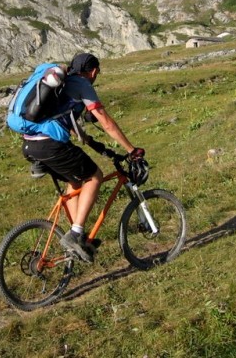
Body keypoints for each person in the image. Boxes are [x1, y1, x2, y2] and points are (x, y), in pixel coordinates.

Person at [21, 52, 145, 263]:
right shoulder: (83, 84)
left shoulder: (62, 84)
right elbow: (105, 121)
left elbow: (61, 117)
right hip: (50, 145)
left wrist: (88, 140)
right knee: (95, 176)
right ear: (94, 71)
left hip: (30, 143)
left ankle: (75, 232)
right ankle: (76, 234)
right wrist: (132, 150)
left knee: (75, 180)